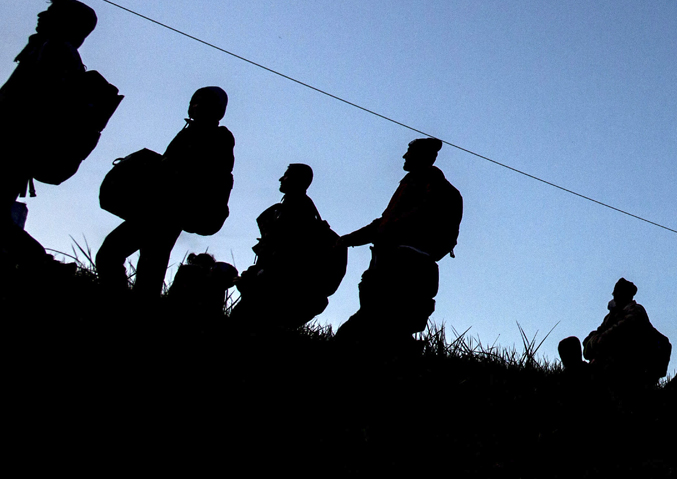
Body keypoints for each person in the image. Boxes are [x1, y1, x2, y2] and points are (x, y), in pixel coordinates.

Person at [96, 87, 234, 298]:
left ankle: (122, 309)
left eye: (203, 103)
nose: (196, 107)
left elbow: (199, 175)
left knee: (116, 257)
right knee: (143, 271)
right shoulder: (192, 132)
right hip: (159, 209)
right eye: (195, 102)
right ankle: (129, 312)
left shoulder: (218, 137)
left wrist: (164, 168)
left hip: (167, 212)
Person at [1, 0, 98, 271]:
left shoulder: (55, 50)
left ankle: (44, 267)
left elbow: (32, 103)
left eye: (51, 12)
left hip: (13, 146)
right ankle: (43, 267)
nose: (42, 15)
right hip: (15, 145)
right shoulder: (51, 48)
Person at [335, 138, 462, 345]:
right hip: (395, 266)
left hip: (403, 268)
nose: (404, 156)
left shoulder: (432, 188)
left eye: (409, 152)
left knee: (369, 330)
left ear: (423, 157)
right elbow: (384, 223)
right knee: (385, 331)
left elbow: (392, 224)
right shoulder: (414, 184)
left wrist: (385, 239)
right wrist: (348, 240)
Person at [232, 164, 346, 328]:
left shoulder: (297, 211)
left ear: (297, 180)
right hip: (281, 288)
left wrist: (254, 277)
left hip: (279, 291)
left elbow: (284, 257)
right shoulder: (295, 209)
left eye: (286, 175)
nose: (281, 178)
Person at [582, 277, 670, 388]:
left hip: (631, 368)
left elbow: (613, 334)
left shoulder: (636, 312)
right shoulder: (612, 316)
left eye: (618, 293)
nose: (615, 296)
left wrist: (597, 342)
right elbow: (594, 338)